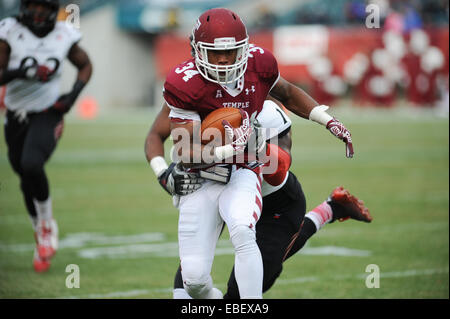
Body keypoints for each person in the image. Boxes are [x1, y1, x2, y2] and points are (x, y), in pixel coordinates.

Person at [156, 8, 354, 299]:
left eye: (232, 53)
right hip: (206, 178)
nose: (223, 61)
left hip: (256, 183)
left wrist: (326, 119)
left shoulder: (262, 79)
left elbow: (285, 99)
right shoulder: (185, 85)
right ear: (196, 51)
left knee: (242, 238)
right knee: (193, 281)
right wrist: (219, 150)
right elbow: (184, 150)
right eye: (214, 54)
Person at [145, 100, 372, 299]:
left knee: (239, 294)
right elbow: (156, 134)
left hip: (275, 202)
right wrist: (165, 174)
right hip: (219, 192)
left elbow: (280, 165)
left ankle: (331, 209)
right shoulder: (192, 96)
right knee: (189, 284)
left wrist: (246, 149)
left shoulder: (266, 110)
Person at [0, 0, 92, 272]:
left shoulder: (64, 34)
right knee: (24, 175)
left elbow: (86, 65)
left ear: (53, 11)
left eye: (44, 7)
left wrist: (71, 97)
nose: (38, 13)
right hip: (16, 115)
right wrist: (22, 71)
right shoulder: (9, 31)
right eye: (33, 6)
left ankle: (46, 225)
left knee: (31, 164)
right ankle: (40, 229)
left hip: (48, 112)